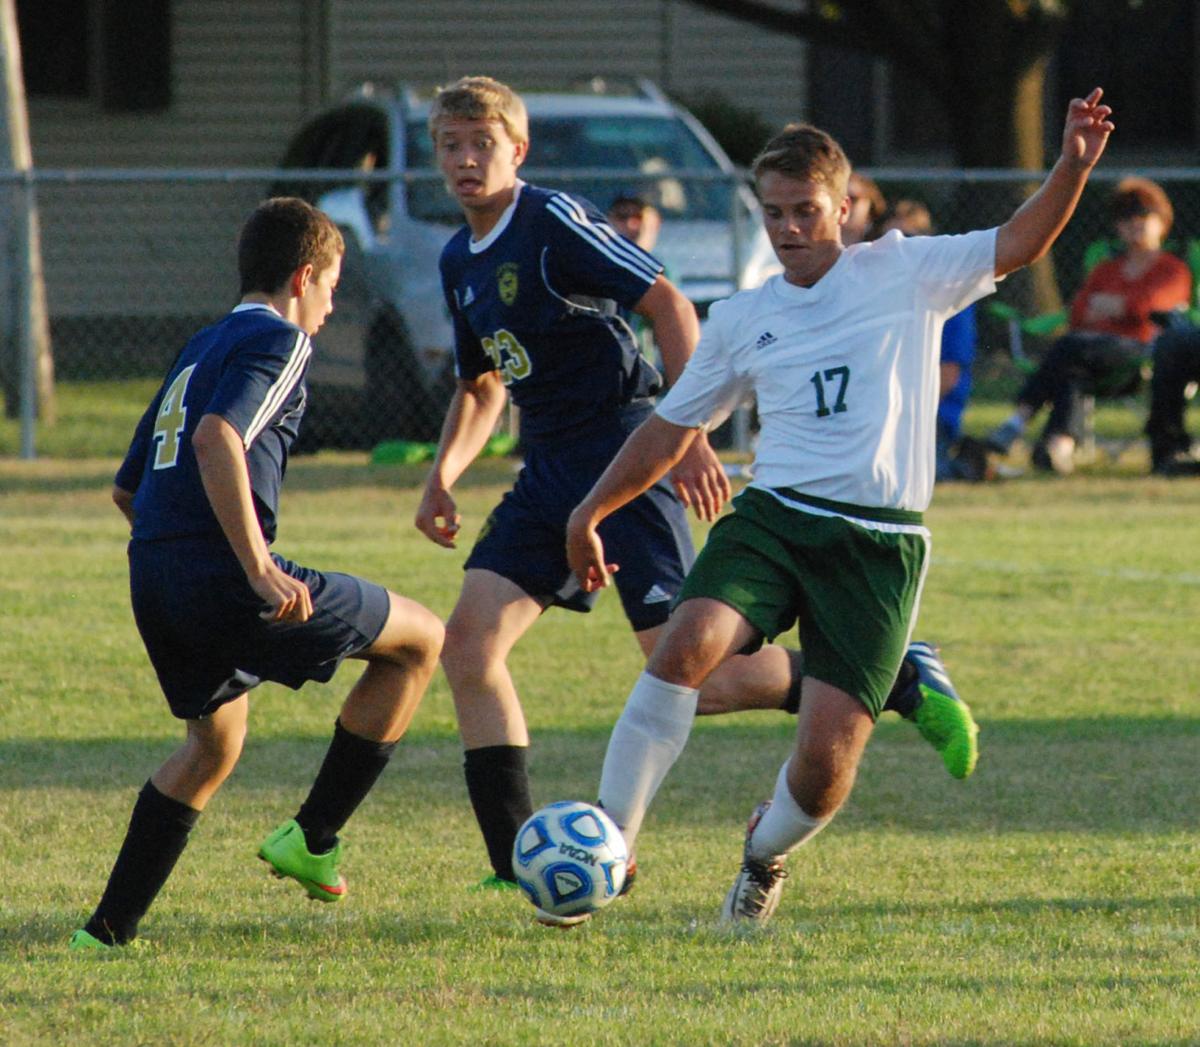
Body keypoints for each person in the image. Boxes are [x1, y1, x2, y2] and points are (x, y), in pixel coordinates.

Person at [566, 89, 1114, 925]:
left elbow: (1020, 240)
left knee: (824, 769)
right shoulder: (743, 317)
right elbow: (670, 429)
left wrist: (1071, 166)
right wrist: (591, 510)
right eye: (774, 212)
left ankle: (764, 854)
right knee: (686, 646)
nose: (788, 228)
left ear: (846, 206)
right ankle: (608, 846)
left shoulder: (906, 270)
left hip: (879, 543)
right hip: (776, 516)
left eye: (806, 211)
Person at [70, 198, 444, 949]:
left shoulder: (202, 345)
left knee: (213, 745)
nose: (334, 305)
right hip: (226, 577)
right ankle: (313, 837)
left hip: (154, 577)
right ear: (304, 276)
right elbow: (217, 437)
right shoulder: (281, 341)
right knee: (422, 640)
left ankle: (106, 931)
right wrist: (257, 568)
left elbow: (127, 489)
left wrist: (178, 558)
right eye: (333, 285)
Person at [412, 76, 729, 913]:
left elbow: (668, 301)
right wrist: (441, 475)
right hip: (550, 465)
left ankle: (888, 675)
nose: (466, 159)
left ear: (518, 151)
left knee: (695, 673)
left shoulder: (550, 220)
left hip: (626, 446)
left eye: (483, 144)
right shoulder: (457, 260)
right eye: (451, 144)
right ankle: (519, 856)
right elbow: (482, 386)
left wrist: (685, 427)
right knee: (469, 643)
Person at [986, 176, 1191, 474]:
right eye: (1125, 218)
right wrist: (1124, 306)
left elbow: (1155, 308)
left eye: (1143, 215)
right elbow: (1080, 311)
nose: (1134, 223)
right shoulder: (1107, 268)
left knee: (1069, 347)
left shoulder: (1172, 269)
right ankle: (1059, 446)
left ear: (1162, 221)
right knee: (1072, 371)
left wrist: (1117, 305)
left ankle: (1019, 419)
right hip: (1091, 353)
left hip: (1140, 355)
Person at [878, 199, 987, 483]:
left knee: (915, 476)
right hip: (876, 415)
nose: (899, 250)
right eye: (889, 242)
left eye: (909, 239)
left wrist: (889, 407)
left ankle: (965, 463)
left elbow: (948, 376)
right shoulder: (874, 295)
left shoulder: (950, 296)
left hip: (925, 417)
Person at [842, 170, 888, 246]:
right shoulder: (817, 251)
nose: (844, 205)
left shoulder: (885, 247)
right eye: (838, 199)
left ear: (870, 205)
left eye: (853, 199)